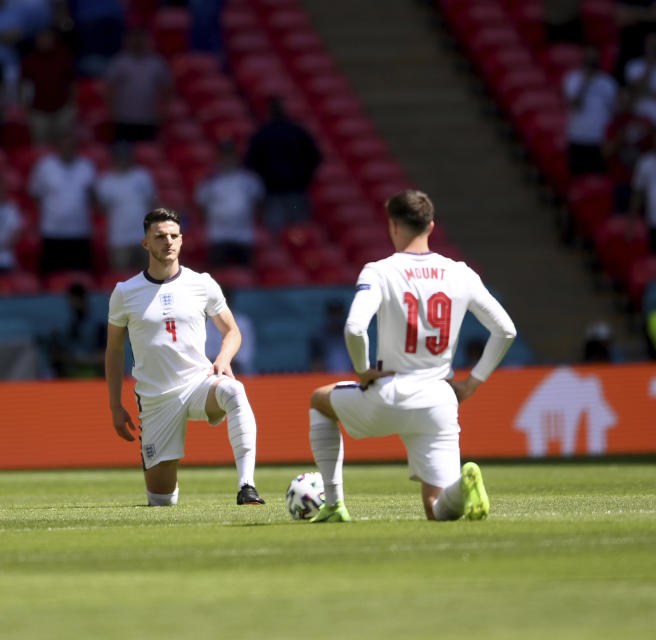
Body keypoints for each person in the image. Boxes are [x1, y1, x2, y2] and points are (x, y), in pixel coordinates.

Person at [305, 190, 516, 524]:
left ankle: (333, 504)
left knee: (320, 401)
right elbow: (506, 331)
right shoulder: (459, 272)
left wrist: (362, 371)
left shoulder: (380, 271)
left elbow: (355, 328)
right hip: (439, 401)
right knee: (438, 508)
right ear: (431, 226)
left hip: (390, 393)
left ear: (393, 226)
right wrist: (472, 384)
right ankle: (463, 487)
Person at [105, 207, 265, 507]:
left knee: (234, 389)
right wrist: (115, 405)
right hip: (156, 400)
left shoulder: (202, 283)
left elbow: (232, 331)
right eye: (160, 236)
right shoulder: (124, 292)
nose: (168, 242)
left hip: (198, 385)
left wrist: (224, 358)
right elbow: (113, 350)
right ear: (146, 243)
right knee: (161, 501)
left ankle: (247, 486)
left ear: (182, 240)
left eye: (174, 235)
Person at [244, 96, 321, 231]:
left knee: (278, 237)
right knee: (300, 233)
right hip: (293, 192)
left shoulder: (262, 134)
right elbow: (314, 158)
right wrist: (304, 179)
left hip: (275, 194)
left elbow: (250, 163)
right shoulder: (297, 132)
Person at [28, 131, 97, 273]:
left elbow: (93, 197)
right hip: (52, 233)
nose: (68, 149)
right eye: (65, 145)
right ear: (58, 147)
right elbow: (35, 195)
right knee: (52, 279)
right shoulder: (45, 167)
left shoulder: (87, 166)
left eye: (71, 145)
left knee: (81, 278)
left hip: (80, 233)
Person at [195, 139, 264, 267]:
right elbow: (201, 205)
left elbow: (258, 204)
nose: (227, 159)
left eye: (230, 155)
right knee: (217, 274)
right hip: (218, 235)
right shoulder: (210, 181)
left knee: (245, 273)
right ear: (219, 158)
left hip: (243, 235)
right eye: (224, 156)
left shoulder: (249, 180)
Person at [95, 141, 157, 271]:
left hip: (144, 238)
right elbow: (100, 208)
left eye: (125, 156)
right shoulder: (106, 180)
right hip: (119, 240)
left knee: (148, 280)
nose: (122, 160)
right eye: (119, 157)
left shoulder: (142, 176)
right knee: (122, 280)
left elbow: (152, 203)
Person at [104, 28, 172, 142]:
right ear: (128, 40)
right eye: (134, 38)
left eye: (141, 38)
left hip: (149, 120)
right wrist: (112, 111)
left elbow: (167, 89)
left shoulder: (157, 63)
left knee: (147, 155)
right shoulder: (119, 62)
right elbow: (108, 88)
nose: (138, 41)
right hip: (123, 120)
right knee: (123, 156)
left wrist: (163, 112)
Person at [563, 47, 619, 176]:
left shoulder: (608, 83)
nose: (591, 62)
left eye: (593, 60)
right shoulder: (573, 79)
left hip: (599, 140)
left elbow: (614, 111)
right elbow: (574, 105)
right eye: (588, 59)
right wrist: (585, 84)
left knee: (598, 180)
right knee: (577, 180)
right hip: (577, 138)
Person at [20, 28, 77, 145]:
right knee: (41, 148)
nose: (44, 41)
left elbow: (72, 83)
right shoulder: (29, 61)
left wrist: (71, 104)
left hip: (62, 110)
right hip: (38, 112)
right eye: (41, 38)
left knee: (63, 145)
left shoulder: (64, 57)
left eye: (47, 38)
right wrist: (27, 108)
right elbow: (24, 86)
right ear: (36, 41)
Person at [49, 282, 107, 377]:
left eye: (76, 300)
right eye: (71, 300)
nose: (73, 304)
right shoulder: (67, 325)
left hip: (93, 375)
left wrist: (82, 360)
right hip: (70, 375)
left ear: (83, 299)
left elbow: (104, 356)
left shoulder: (98, 325)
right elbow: (58, 355)